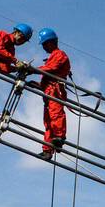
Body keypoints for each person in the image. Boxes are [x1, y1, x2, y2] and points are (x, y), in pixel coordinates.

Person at [33, 27, 71, 160]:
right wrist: (37, 85)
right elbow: (48, 76)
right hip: (48, 92)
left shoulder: (59, 54)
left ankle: (59, 137)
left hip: (56, 90)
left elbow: (50, 69)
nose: (44, 47)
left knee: (56, 114)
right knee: (48, 122)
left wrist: (32, 69)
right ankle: (47, 149)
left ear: (52, 42)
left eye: (45, 44)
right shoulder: (52, 56)